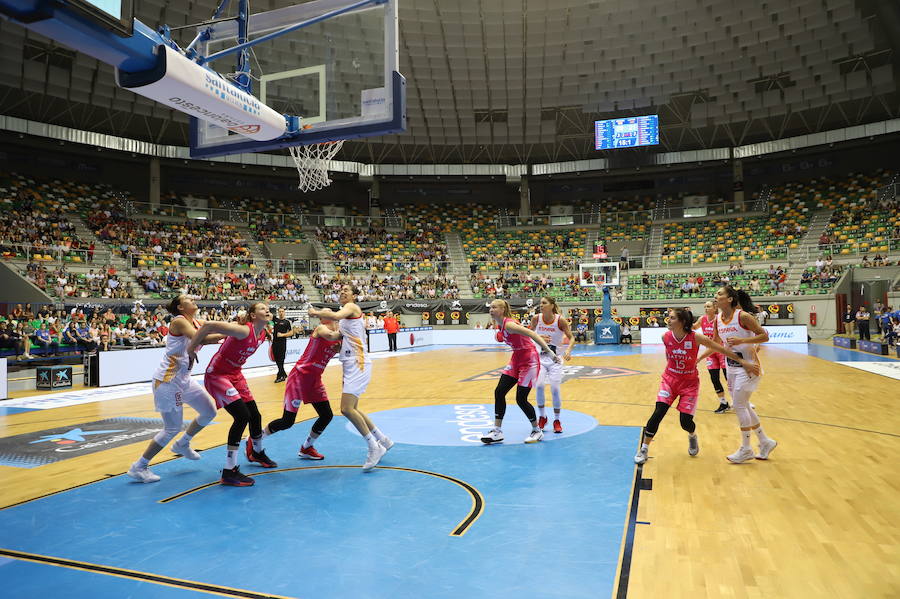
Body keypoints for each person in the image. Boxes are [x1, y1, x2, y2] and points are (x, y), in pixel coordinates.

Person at [634, 307, 759, 465]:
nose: (669, 320)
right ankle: (644, 448)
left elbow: (720, 348)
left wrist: (742, 362)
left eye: (672, 318)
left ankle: (692, 435)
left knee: (685, 422)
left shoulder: (695, 337)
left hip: (690, 384)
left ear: (682, 322)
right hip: (670, 380)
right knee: (659, 412)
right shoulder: (665, 337)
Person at [126, 295, 220, 484]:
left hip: (184, 380)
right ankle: (139, 466)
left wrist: (238, 324)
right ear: (180, 307)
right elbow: (202, 337)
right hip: (168, 382)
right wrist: (234, 332)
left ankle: (183, 443)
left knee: (209, 412)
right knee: (171, 428)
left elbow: (213, 324)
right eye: (188, 299)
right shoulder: (179, 321)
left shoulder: (193, 320)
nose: (193, 300)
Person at [188, 302, 275, 487]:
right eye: (262, 308)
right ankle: (229, 470)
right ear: (252, 315)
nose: (267, 310)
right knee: (242, 416)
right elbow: (208, 326)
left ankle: (256, 453)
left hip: (235, 373)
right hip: (217, 374)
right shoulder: (244, 330)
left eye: (268, 308)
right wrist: (191, 348)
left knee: (255, 416)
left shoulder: (263, 333)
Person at [309, 285, 392, 471]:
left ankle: (373, 447)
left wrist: (315, 312)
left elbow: (336, 317)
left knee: (346, 409)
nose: (342, 292)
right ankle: (383, 440)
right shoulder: (346, 316)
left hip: (358, 362)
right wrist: (337, 346)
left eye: (346, 290)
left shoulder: (351, 308)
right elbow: (339, 334)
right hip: (350, 361)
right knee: (353, 408)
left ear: (354, 296)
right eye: (340, 290)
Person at [480, 299, 560, 445]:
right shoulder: (500, 325)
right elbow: (504, 337)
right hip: (516, 359)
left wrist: (549, 353)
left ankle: (537, 430)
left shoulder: (509, 324)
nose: (491, 309)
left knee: (520, 399)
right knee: (499, 392)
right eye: (490, 307)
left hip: (529, 360)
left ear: (502, 310)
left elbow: (532, 334)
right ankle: (497, 431)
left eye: (494, 307)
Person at [260, 319, 342, 460]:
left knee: (326, 415)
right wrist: (351, 328)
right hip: (299, 377)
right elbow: (332, 336)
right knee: (287, 421)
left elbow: (347, 349)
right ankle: (255, 438)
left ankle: (307, 447)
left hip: (315, 380)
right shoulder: (321, 329)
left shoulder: (338, 338)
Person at [713, 285, 777, 463]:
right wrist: (698, 358)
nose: (716, 296)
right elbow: (716, 344)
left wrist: (743, 340)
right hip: (732, 366)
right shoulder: (718, 319)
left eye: (719, 294)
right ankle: (765, 441)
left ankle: (746, 449)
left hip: (749, 367)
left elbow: (764, 337)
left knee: (739, 406)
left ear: (730, 299)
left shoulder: (743, 316)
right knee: (744, 405)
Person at [529, 297, 575, 434]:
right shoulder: (536, 319)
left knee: (555, 389)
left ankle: (557, 420)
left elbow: (572, 337)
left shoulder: (560, 320)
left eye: (544, 303)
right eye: (540, 303)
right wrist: (539, 338)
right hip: (540, 358)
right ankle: (542, 417)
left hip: (555, 359)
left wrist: (568, 350)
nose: (541, 305)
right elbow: (528, 334)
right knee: (539, 386)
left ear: (552, 305)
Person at [692, 301, 730, 413]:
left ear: (715, 308)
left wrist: (699, 358)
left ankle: (742, 402)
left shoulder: (720, 319)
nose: (706, 308)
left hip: (721, 350)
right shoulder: (702, 319)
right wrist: (684, 320)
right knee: (714, 378)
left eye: (708, 306)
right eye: (705, 307)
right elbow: (694, 327)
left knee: (729, 378)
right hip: (710, 353)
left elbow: (717, 341)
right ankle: (723, 403)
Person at [271, 307, 295, 383]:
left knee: (281, 359)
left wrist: (282, 335)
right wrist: (266, 303)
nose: (281, 312)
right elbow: (268, 314)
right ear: (278, 312)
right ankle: (283, 373)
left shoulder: (287, 322)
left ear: (284, 312)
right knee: (277, 359)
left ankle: (280, 375)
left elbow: (291, 333)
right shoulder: (275, 320)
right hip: (274, 342)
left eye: (282, 311)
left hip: (282, 343)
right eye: (280, 311)